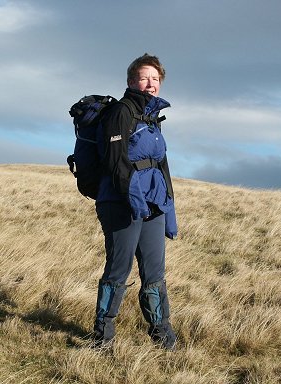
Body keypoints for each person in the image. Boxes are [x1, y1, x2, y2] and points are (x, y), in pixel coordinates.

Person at [92, 53, 178, 350]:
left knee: (154, 273)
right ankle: (102, 337)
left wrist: (169, 213)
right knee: (118, 269)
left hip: (153, 206)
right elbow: (116, 165)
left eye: (155, 79)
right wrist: (135, 204)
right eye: (144, 78)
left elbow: (162, 168)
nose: (150, 84)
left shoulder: (153, 119)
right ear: (131, 81)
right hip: (120, 203)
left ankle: (163, 337)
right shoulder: (121, 113)